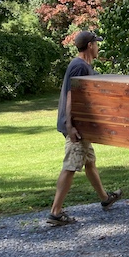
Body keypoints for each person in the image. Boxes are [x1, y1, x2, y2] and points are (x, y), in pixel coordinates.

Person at [47, 30, 122, 226]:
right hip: (76, 128)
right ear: (90, 46)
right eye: (96, 43)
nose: (98, 47)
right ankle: (55, 212)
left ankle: (105, 198)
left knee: (89, 162)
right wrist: (71, 127)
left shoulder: (84, 66)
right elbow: (73, 96)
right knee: (71, 166)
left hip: (81, 126)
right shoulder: (79, 66)